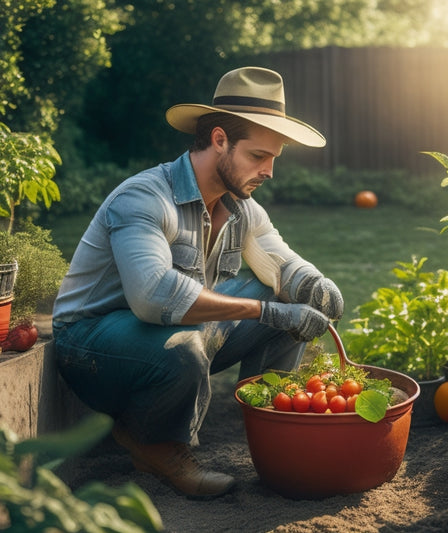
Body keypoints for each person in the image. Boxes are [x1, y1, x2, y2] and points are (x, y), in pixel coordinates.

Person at [52, 66, 344, 498]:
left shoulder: (241, 207)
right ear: (219, 139)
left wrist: (317, 291)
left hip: (170, 330)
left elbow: (280, 263)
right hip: (93, 343)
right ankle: (154, 443)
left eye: (273, 160)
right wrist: (268, 312)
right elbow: (153, 297)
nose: (268, 171)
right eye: (258, 156)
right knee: (194, 343)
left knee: (280, 300)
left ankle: (278, 429)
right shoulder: (145, 197)